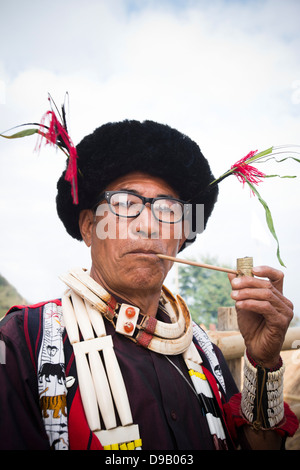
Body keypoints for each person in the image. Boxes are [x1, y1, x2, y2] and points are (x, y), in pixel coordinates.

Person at [0, 119, 298, 450]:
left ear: (182, 235)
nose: (148, 226)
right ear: (87, 226)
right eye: (125, 205)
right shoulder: (25, 342)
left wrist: (264, 360)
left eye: (168, 210)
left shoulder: (202, 352)